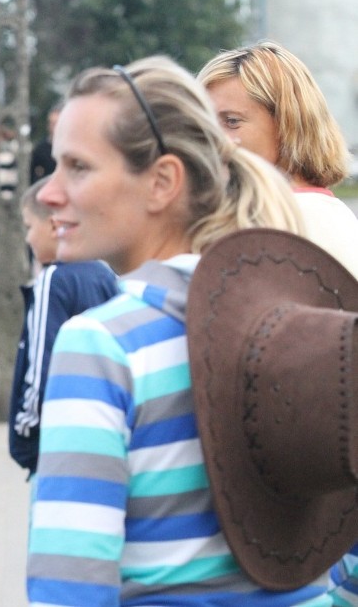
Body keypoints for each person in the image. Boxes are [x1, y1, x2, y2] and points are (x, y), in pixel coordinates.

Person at [27, 56, 315, 606]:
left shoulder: (103, 346)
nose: (49, 193)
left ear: (161, 182)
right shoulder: (295, 325)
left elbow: (70, 589)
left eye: (78, 168)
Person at [198, 40, 358, 278]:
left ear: (286, 122)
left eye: (232, 121)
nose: (215, 139)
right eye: (206, 123)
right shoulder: (315, 212)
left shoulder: (290, 221)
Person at [9, 176, 118, 477]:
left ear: (54, 224)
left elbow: (41, 366)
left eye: (29, 227)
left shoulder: (53, 280)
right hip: (97, 435)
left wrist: (25, 433)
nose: (28, 239)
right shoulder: (103, 271)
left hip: (52, 446)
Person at [29, 104, 61, 184]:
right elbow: (32, 174)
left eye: (56, 123)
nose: (53, 127)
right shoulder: (40, 149)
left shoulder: (69, 148)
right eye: (51, 123)